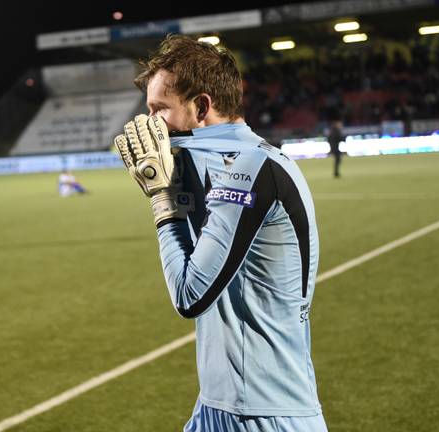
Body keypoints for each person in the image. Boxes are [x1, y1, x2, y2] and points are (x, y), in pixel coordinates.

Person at [114, 35, 326, 432]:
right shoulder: (214, 160)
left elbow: (190, 294)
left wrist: (162, 197)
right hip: (217, 406)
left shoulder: (250, 167)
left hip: (266, 414)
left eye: (159, 110)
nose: (148, 125)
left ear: (201, 107)